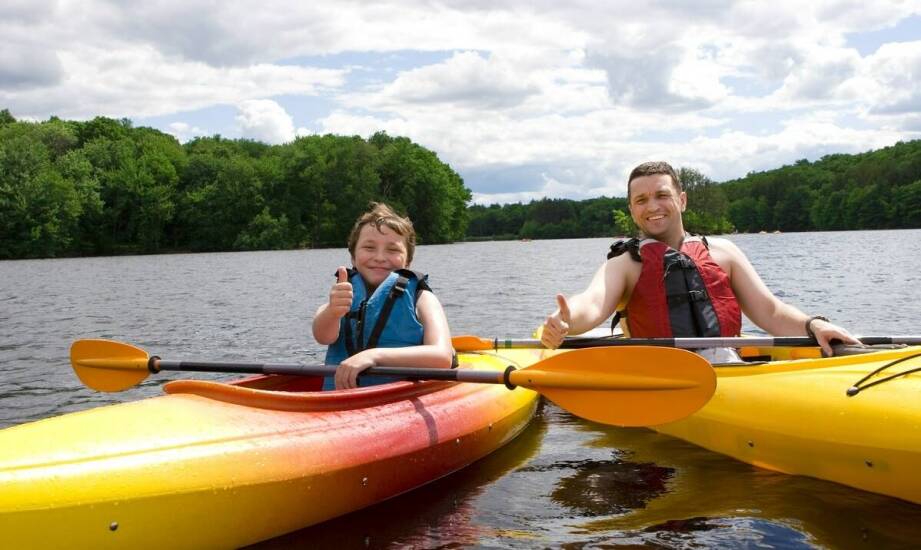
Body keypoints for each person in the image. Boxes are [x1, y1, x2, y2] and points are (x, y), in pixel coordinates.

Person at [541, 161, 859, 357]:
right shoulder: (626, 263)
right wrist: (566, 320)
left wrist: (813, 324)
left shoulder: (724, 253)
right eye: (641, 199)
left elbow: (770, 311)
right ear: (632, 209)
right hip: (665, 377)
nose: (653, 206)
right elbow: (593, 303)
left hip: (728, 369)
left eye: (662, 195)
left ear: (681, 200)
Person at [312, 202, 454, 389]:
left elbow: (442, 356)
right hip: (339, 399)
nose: (379, 257)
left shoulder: (422, 298)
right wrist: (332, 311)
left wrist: (374, 356)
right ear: (353, 257)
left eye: (393, 250)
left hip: (399, 397)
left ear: (408, 261)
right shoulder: (341, 295)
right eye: (369, 248)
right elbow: (323, 336)